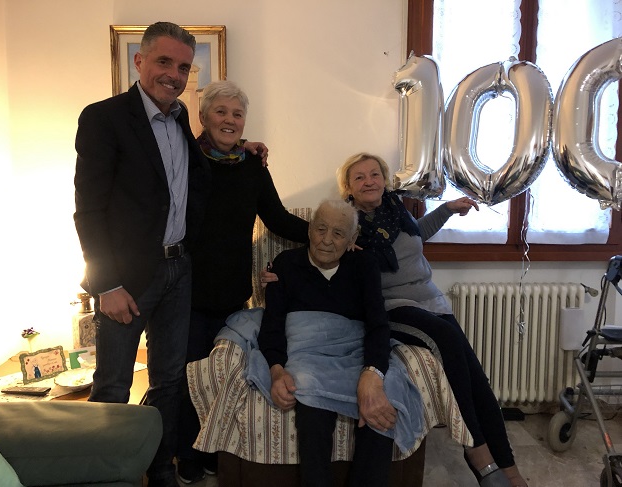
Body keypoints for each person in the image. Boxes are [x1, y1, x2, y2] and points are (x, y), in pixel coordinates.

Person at [74, 22, 265, 487]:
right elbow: (88, 208)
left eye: (183, 67)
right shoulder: (104, 118)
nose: (174, 74)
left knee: (169, 382)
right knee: (113, 384)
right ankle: (102, 477)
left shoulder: (180, 118)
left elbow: (203, 166)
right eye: (164, 62)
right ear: (139, 61)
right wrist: (106, 283)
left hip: (179, 270)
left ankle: (160, 470)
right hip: (126, 277)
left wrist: (244, 146)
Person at [335, 152, 528, 487]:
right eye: (359, 177)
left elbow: (417, 235)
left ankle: (510, 470)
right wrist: (342, 252)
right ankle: (478, 454)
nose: (369, 182)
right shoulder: (346, 224)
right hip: (393, 305)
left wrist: (448, 209)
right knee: (446, 338)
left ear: (384, 180)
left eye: (374, 174)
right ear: (348, 188)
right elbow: (323, 255)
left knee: (478, 381)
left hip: (431, 300)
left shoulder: (396, 209)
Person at [176, 79, 309, 483]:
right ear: (204, 117)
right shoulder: (185, 157)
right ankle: (186, 456)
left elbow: (278, 218)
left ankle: (214, 450)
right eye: (221, 112)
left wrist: (326, 235)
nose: (230, 120)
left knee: (225, 377)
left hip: (233, 294)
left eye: (237, 114)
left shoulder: (252, 165)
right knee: (187, 378)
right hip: (186, 293)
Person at [258, 199, 398, 487]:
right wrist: (277, 370)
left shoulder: (364, 265)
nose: (326, 240)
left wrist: (372, 373)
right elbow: (272, 325)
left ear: (352, 239)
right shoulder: (285, 264)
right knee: (312, 409)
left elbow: (378, 324)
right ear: (310, 230)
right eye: (321, 229)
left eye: (338, 233)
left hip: (354, 352)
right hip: (307, 355)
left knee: (379, 407)